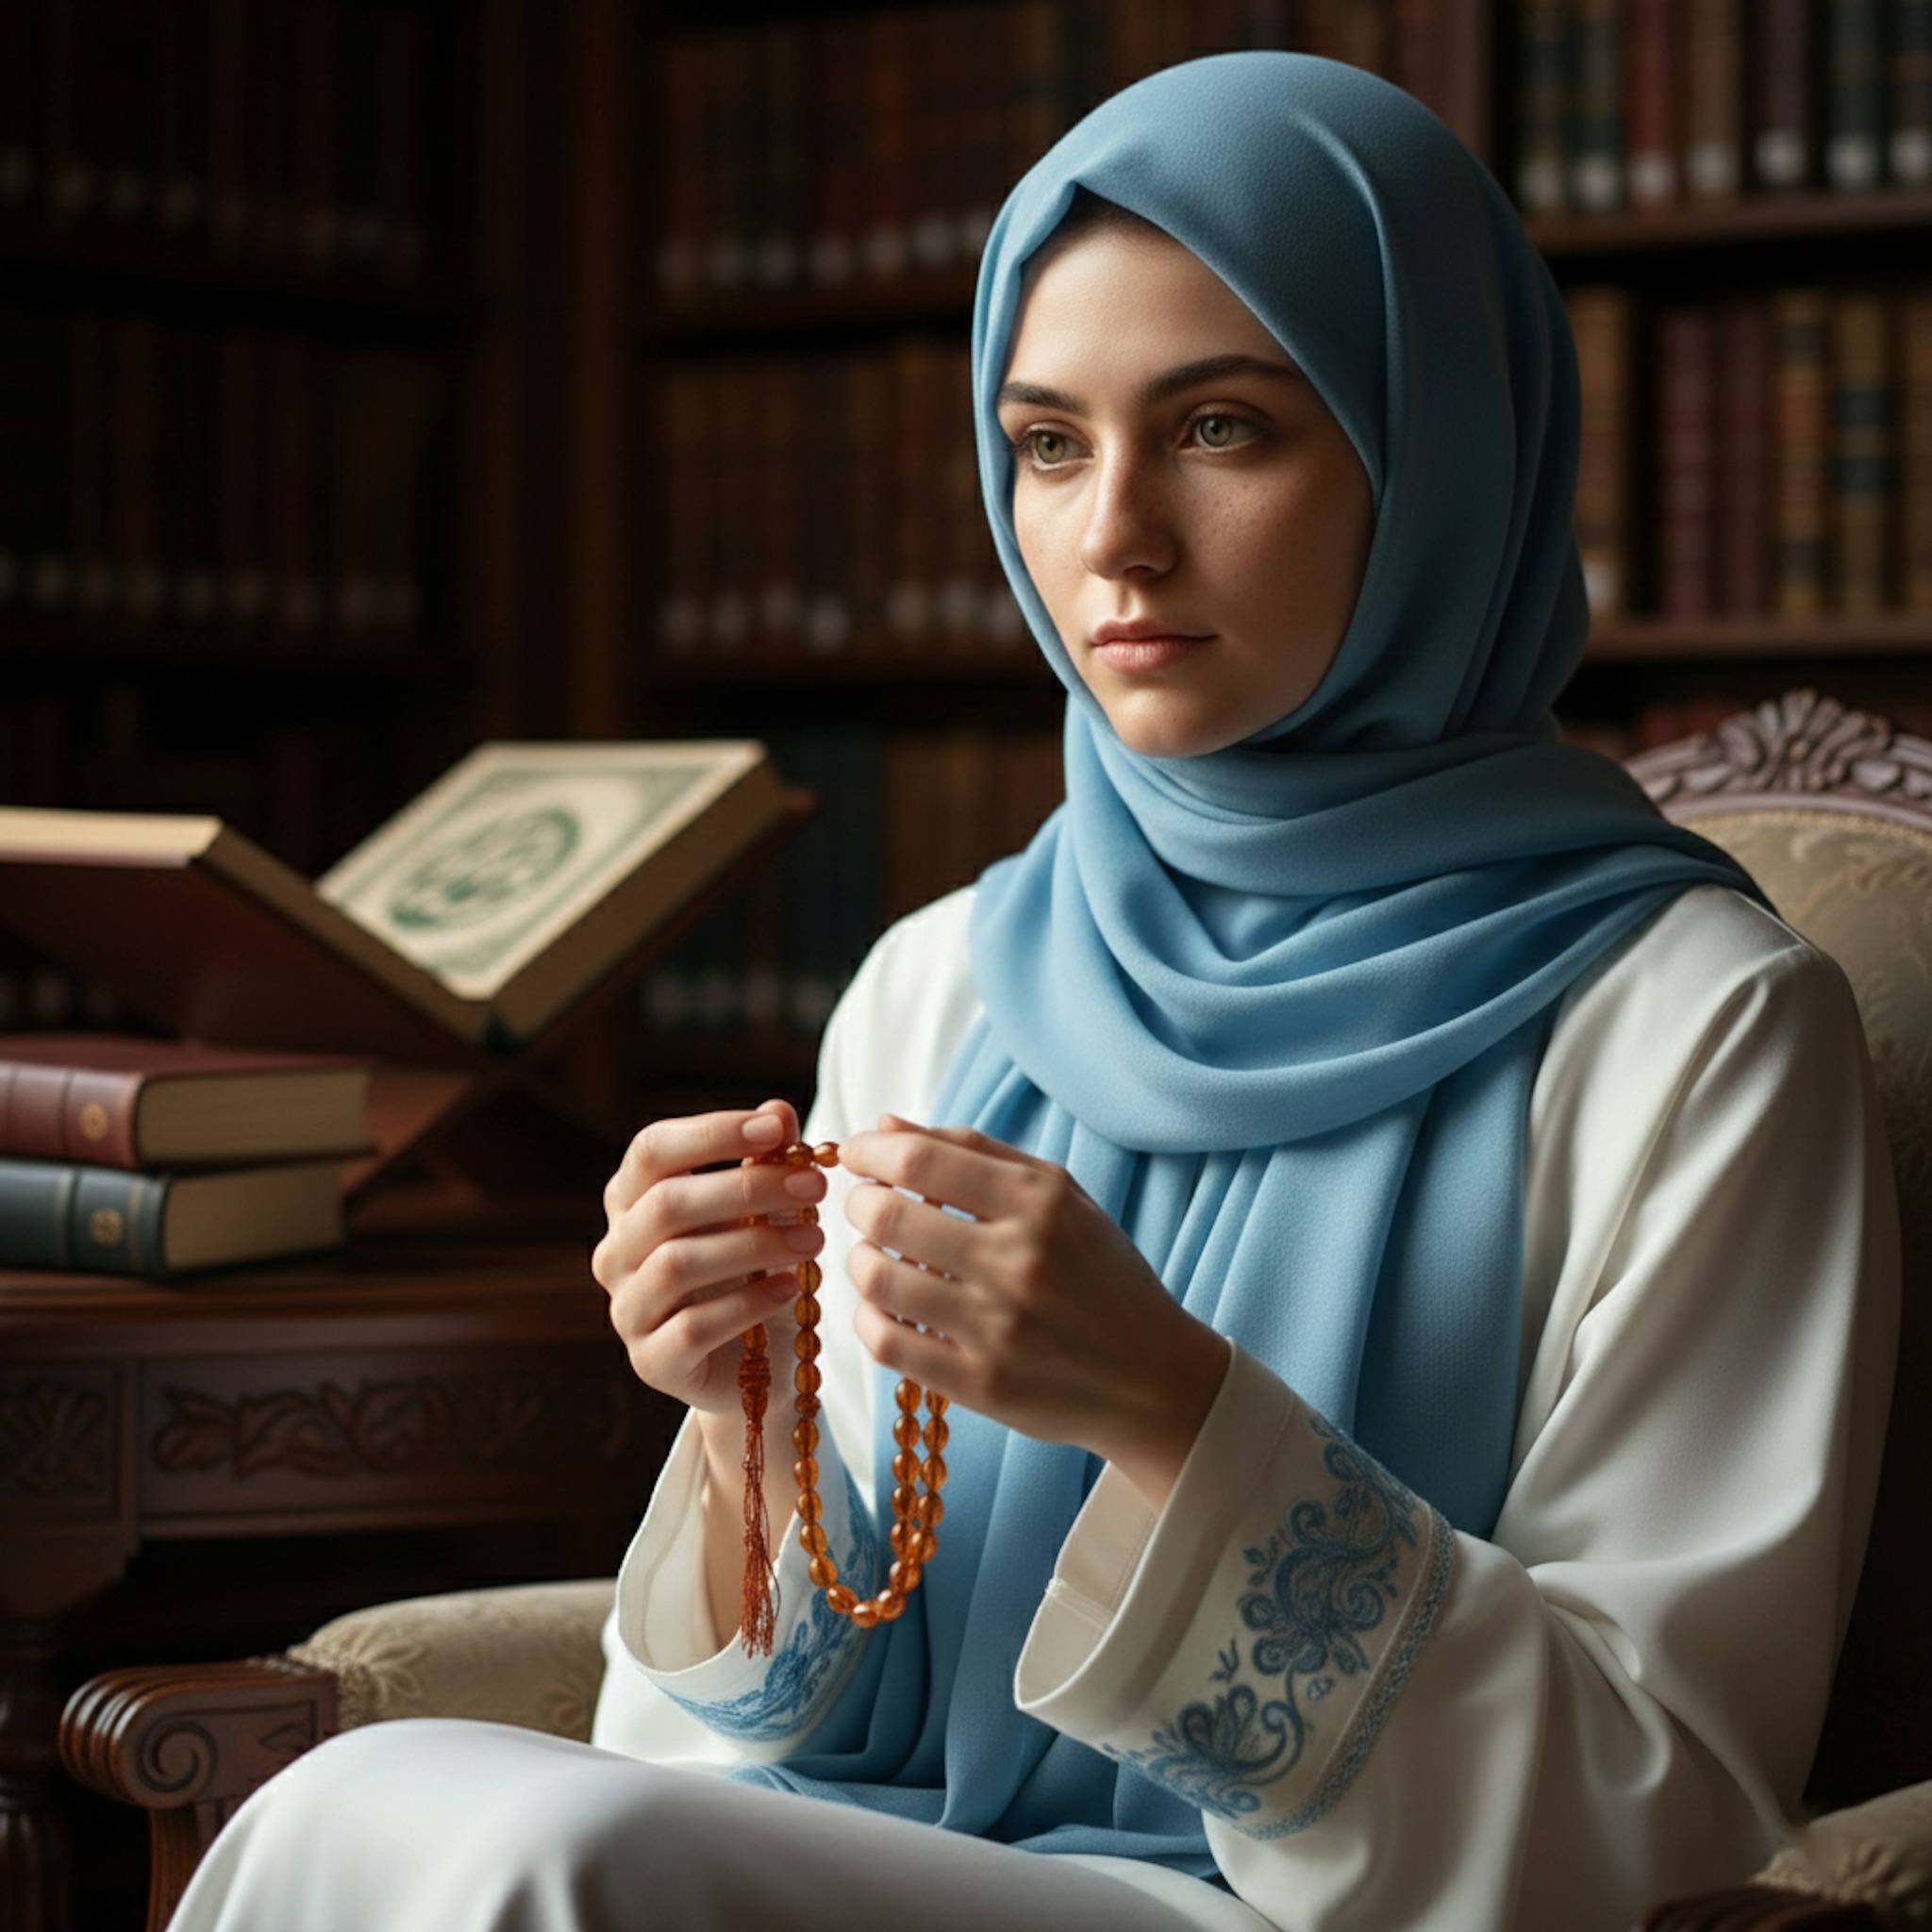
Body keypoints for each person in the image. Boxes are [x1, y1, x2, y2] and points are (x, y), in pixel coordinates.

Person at [167, 50, 1898, 1932]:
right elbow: (751, 1735)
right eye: (1049, 440)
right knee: (367, 1799)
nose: (1110, 537)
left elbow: (1668, 1821)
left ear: (1440, 454)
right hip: (925, 1865)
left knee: (536, 1851)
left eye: (1222, 427)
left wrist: (1173, 1411)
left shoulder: (1699, 1026)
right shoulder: (946, 977)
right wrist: (743, 1414)